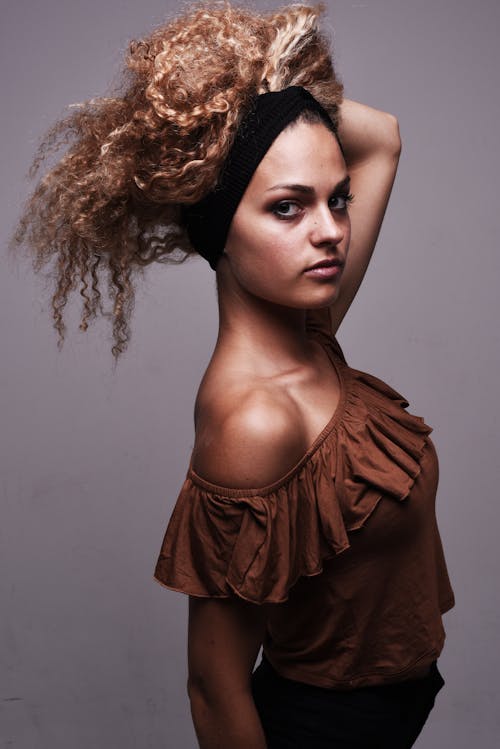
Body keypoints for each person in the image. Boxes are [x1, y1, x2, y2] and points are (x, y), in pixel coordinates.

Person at [13, 2, 455, 747]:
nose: (330, 231)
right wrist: (226, 134)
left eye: (335, 199)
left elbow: (382, 140)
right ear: (222, 234)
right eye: (287, 207)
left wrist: (262, 103)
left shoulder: (311, 336)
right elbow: (214, 687)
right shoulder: (255, 421)